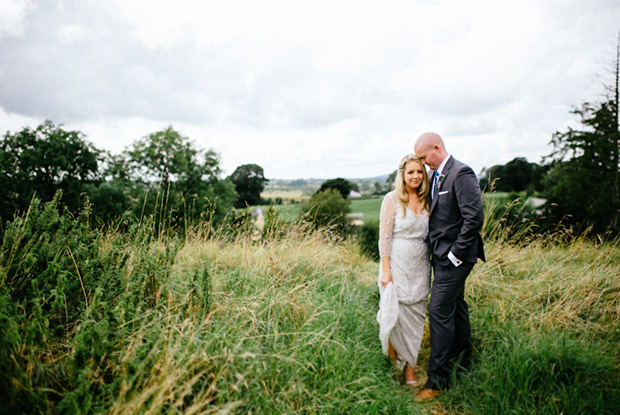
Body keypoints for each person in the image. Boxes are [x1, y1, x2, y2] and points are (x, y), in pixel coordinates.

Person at [413, 132, 485, 401]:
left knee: (439, 310)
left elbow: (473, 217)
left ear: (437, 147)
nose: (423, 163)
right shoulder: (435, 176)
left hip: (456, 258)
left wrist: (456, 253)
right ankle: (464, 364)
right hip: (441, 257)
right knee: (456, 307)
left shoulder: (461, 173)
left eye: (424, 157)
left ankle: (437, 381)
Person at [376, 154, 431, 386]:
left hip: (420, 266)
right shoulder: (391, 199)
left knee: (416, 319)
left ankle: (410, 368)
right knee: (394, 316)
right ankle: (392, 363)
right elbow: (384, 238)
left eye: (420, 171)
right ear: (403, 175)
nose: (416, 176)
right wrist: (386, 271)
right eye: (411, 172)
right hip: (395, 265)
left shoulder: (429, 199)